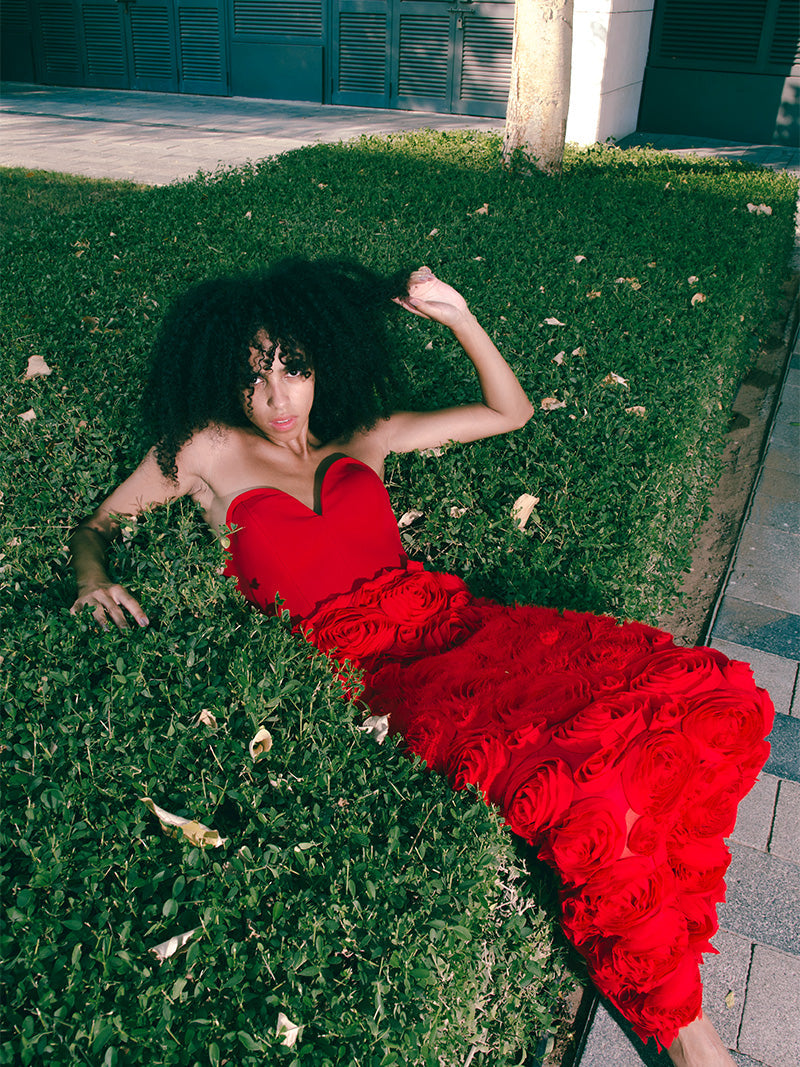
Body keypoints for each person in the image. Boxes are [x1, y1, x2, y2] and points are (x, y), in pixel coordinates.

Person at [70, 259, 772, 1067]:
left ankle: (657, 954)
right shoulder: (208, 450)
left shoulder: (363, 436)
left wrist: (460, 317)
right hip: (386, 674)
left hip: (463, 624)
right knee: (587, 786)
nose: (277, 394)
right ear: (226, 383)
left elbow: (511, 411)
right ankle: (694, 1040)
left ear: (321, 363)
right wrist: (93, 579)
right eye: (253, 375)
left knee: (695, 691)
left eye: (293, 366)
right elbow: (98, 523)